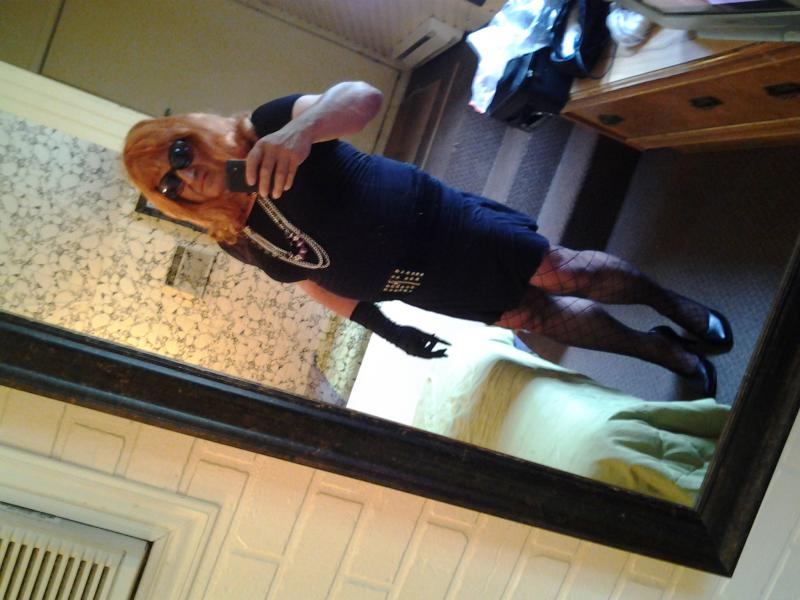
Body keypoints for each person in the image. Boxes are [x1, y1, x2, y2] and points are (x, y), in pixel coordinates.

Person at [123, 81, 732, 398]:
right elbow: (307, 276)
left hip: (443, 226)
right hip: (420, 284)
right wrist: (384, 327)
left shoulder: (265, 127)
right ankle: (657, 351)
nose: (185, 175)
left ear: (190, 133)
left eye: (178, 154)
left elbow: (361, 99)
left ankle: (673, 305)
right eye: (168, 185)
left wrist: (302, 131)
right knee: (538, 317)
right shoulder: (231, 235)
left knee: (568, 272)